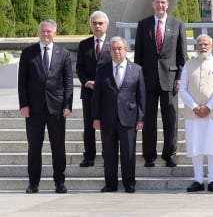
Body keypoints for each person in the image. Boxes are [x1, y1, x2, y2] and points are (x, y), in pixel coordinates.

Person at [18, 19, 73, 194]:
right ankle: (33, 183)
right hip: (34, 109)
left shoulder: (63, 54)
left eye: (49, 31)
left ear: (54, 33)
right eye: (43, 31)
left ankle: (60, 182)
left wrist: (67, 105)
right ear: (39, 32)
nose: (46, 34)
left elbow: (68, 82)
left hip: (56, 108)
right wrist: (24, 104)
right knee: (34, 147)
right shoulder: (28, 53)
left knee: (58, 147)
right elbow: (22, 82)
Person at [134, 0, 187, 168]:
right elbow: (138, 57)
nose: (160, 5)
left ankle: (169, 153)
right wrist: (138, 79)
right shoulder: (143, 25)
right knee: (148, 119)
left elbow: (182, 55)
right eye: (157, 2)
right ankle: (149, 155)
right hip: (148, 79)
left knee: (170, 118)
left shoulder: (177, 25)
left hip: (170, 79)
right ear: (152, 4)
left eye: (163, 2)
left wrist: (180, 77)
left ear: (168, 4)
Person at [92, 36, 145, 193]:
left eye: (120, 48)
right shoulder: (102, 70)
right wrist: (96, 117)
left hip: (128, 117)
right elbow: (96, 97)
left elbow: (141, 96)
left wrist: (141, 117)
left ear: (126, 50)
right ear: (109, 51)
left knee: (128, 153)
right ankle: (110, 184)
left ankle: (129, 183)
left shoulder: (137, 69)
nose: (117, 51)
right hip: (107, 118)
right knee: (109, 154)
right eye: (114, 49)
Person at [180, 35, 213, 193]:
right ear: (196, 47)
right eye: (199, 44)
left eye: (206, 44)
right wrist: (195, 107)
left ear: (212, 46)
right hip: (193, 113)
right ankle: (198, 179)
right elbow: (183, 89)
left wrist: (208, 107)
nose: (203, 47)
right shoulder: (188, 65)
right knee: (196, 146)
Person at [76, 10, 112, 168]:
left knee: (107, 125)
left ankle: (108, 153)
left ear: (106, 25)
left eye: (100, 23)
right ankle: (89, 156)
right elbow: (79, 67)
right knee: (89, 126)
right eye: (94, 23)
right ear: (90, 25)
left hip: (108, 93)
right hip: (89, 92)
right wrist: (86, 82)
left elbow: (118, 67)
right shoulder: (84, 45)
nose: (97, 26)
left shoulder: (114, 44)